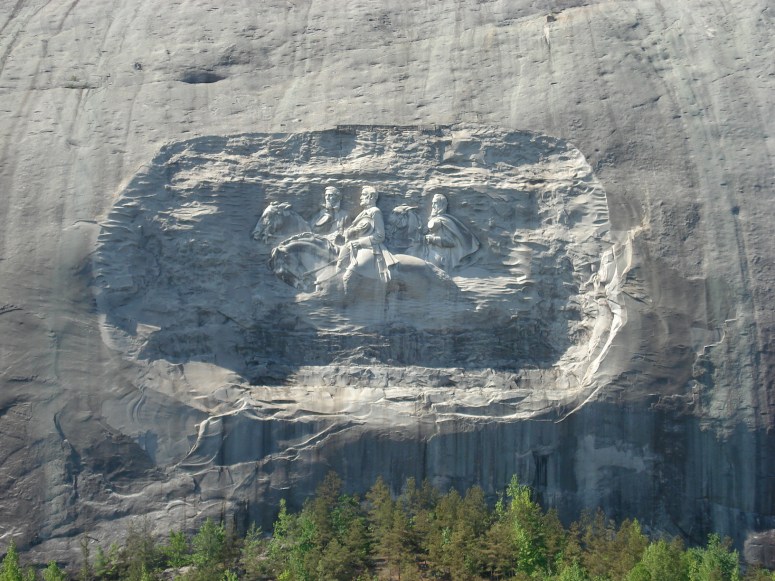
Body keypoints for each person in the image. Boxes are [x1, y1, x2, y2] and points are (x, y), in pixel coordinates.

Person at [336, 186, 396, 291]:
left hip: (370, 249)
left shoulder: (375, 212)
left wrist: (360, 243)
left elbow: (380, 235)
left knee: (347, 277)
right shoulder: (363, 212)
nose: (360, 197)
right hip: (354, 247)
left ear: (371, 196)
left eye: (363, 195)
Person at [422, 193, 480, 270]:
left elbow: (451, 242)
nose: (432, 206)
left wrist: (433, 239)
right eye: (432, 203)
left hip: (441, 258)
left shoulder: (445, 221)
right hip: (430, 255)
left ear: (441, 205)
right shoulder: (434, 220)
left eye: (435, 203)